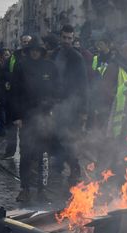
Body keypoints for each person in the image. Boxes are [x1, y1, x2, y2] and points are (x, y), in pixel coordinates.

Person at [12, 38, 59, 202]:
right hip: (26, 117)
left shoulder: (50, 67)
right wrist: (17, 116)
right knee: (26, 154)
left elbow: (56, 90)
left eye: (37, 50)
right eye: (32, 50)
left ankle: (41, 189)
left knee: (43, 155)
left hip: (45, 117)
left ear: (42, 51)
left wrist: (52, 107)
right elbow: (14, 93)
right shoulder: (20, 66)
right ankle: (24, 188)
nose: (35, 52)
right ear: (28, 51)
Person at [50, 24, 88, 186]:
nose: (67, 41)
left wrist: (83, 110)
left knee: (70, 139)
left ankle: (75, 170)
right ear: (60, 37)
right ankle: (58, 166)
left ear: (73, 39)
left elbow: (83, 84)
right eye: (64, 37)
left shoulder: (76, 57)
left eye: (69, 38)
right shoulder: (55, 54)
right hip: (56, 104)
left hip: (72, 105)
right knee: (56, 136)